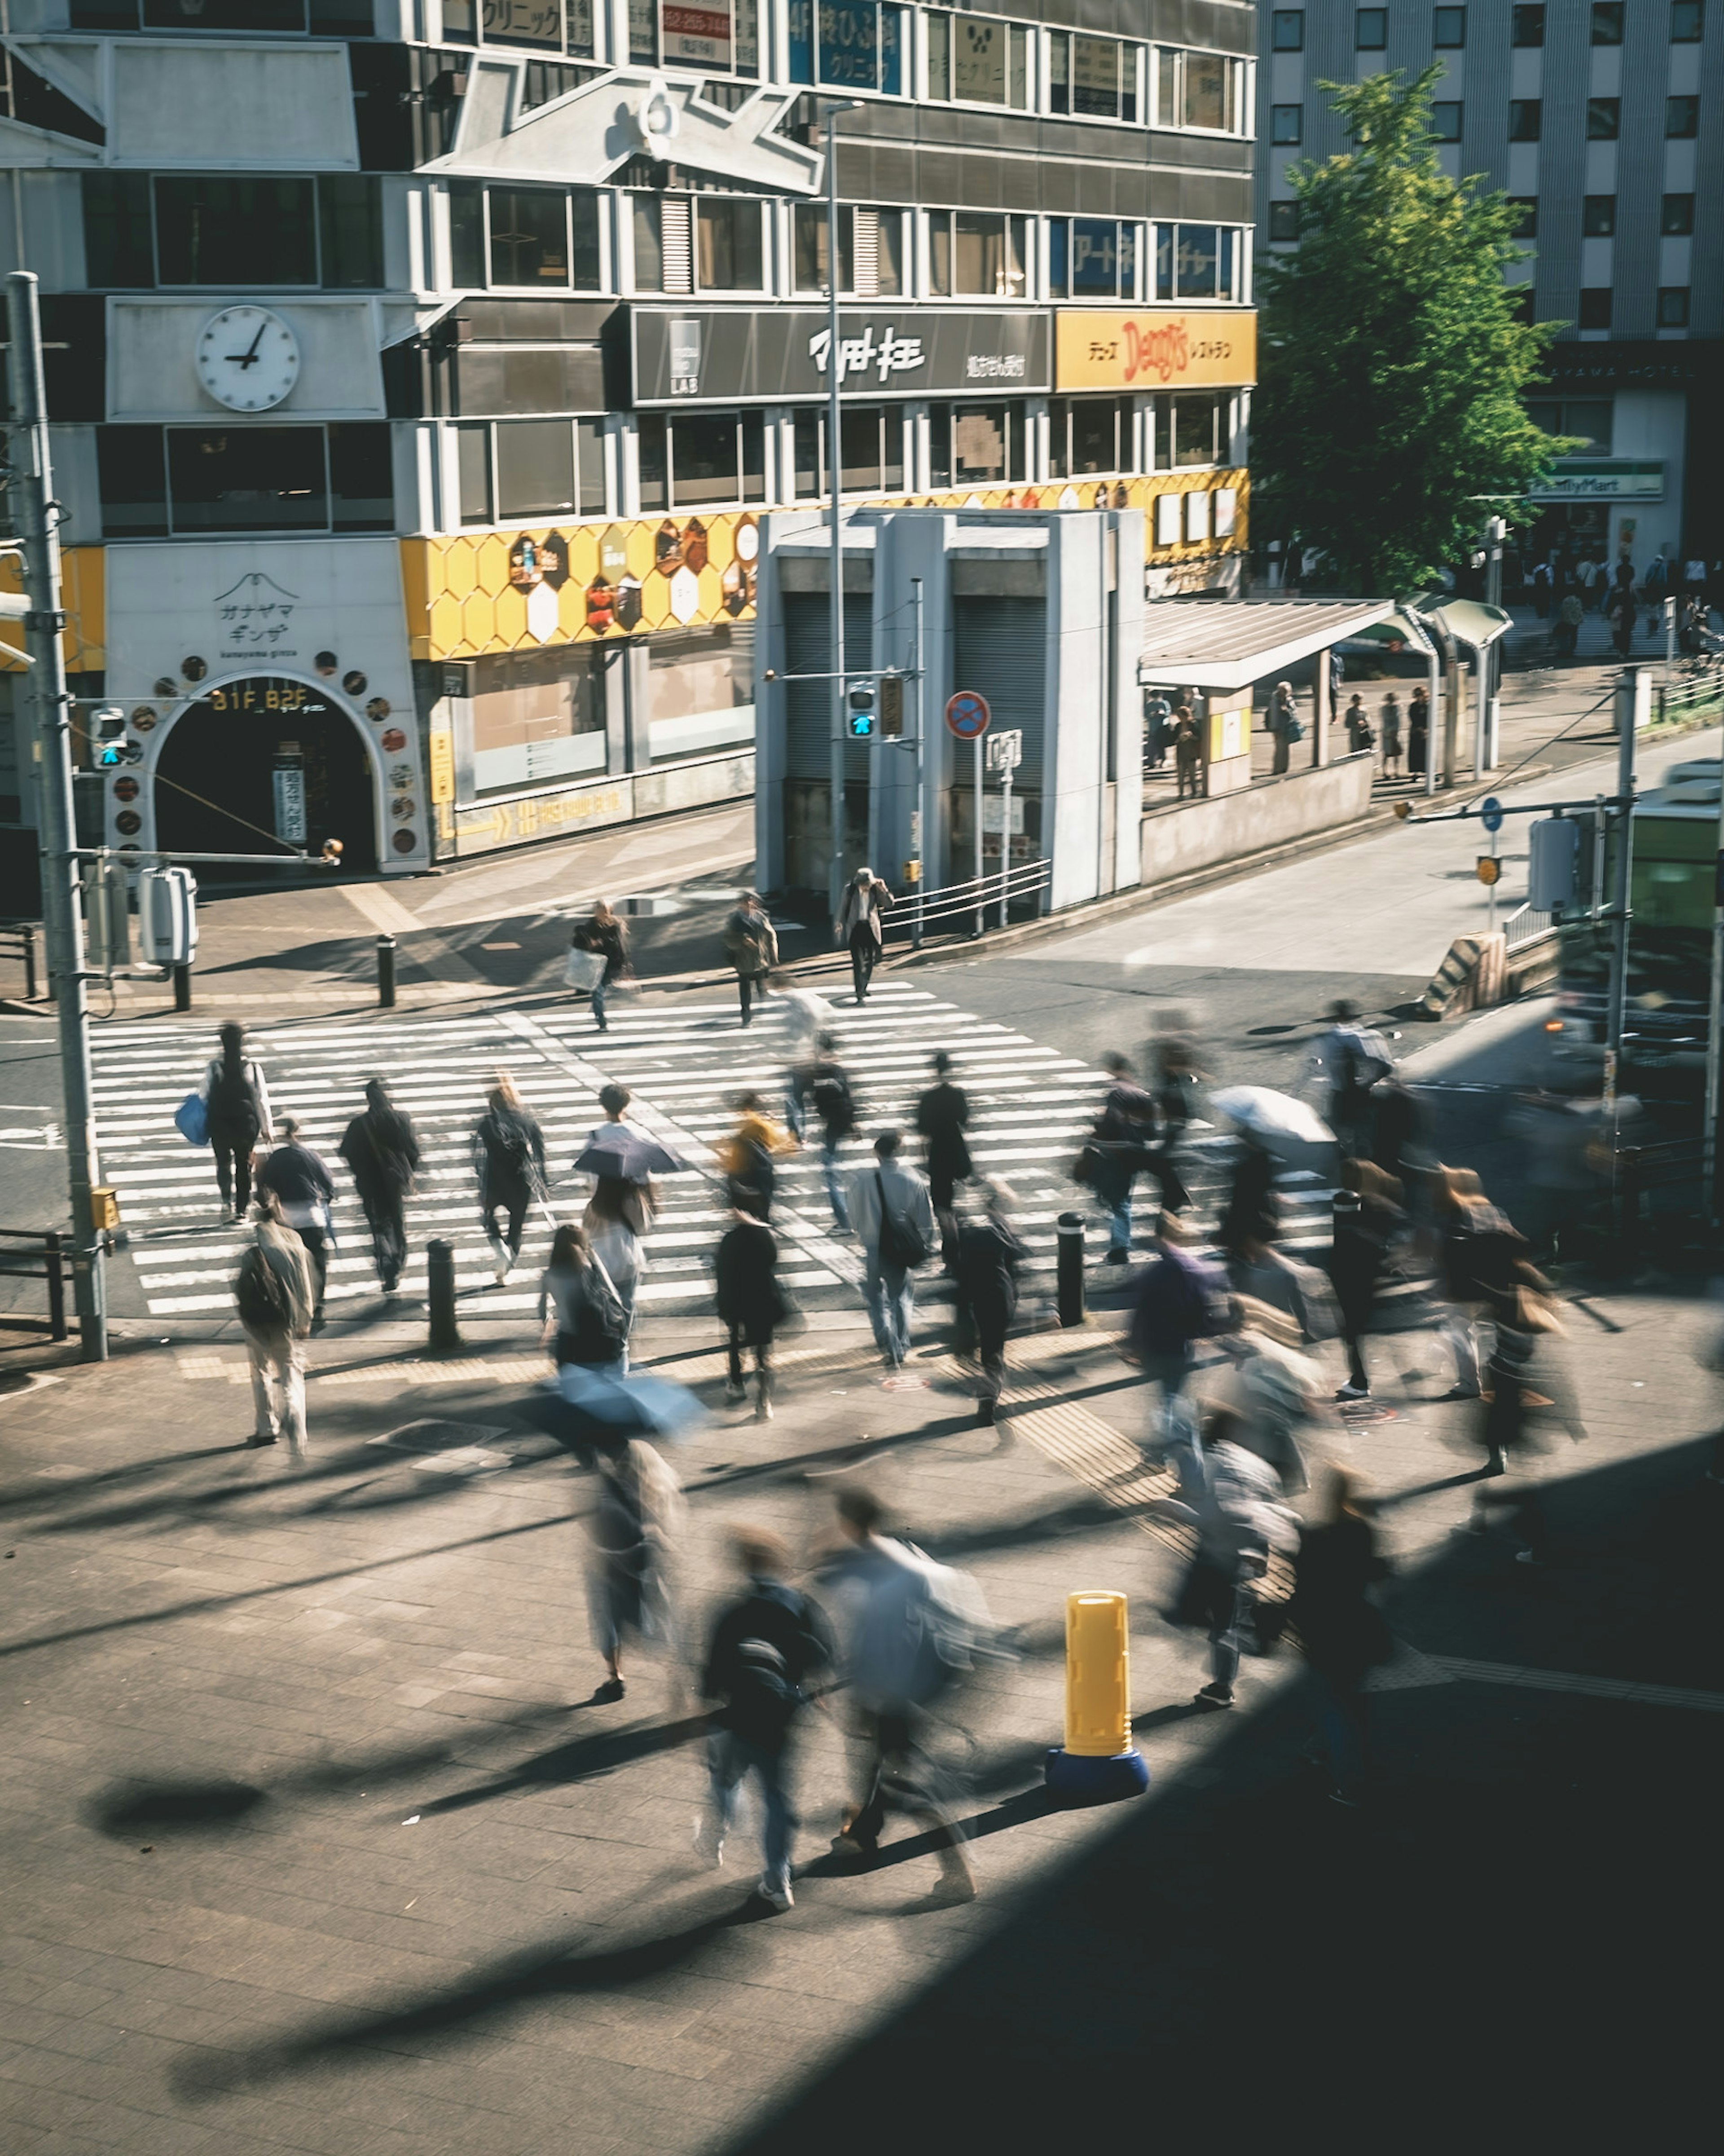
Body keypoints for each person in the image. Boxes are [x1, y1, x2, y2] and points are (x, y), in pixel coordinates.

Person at [820, 1487, 981, 1900]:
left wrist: (860, 1695)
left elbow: (868, 1641)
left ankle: (958, 1873)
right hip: (912, 1688)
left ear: (848, 1521)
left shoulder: (870, 1569)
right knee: (876, 1767)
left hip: (890, 1692)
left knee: (905, 1783)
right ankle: (863, 1832)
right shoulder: (901, 1552)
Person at [696, 1529, 834, 1913]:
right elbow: (822, 1656)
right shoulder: (801, 1605)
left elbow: (711, 1678)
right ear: (780, 1565)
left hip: (737, 1715)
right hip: (780, 1718)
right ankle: (778, 1877)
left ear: (745, 1568)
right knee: (777, 1797)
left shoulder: (731, 1612)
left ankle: (717, 1832)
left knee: (724, 1777)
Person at [1155, 1430, 1297, 1710]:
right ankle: (1222, 1684)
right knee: (1223, 1619)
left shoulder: (1215, 1464)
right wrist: (1260, 1552)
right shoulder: (1256, 1465)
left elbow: (1213, 1515)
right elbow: (1268, 1507)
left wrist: (1175, 1510)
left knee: (1206, 1618)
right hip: (1242, 1552)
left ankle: (1241, 1645)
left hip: (1218, 1554)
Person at [1287, 1467, 1391, 1803]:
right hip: (1358, 1627)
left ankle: (1350, 1784)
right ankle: (1319, 1748)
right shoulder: (1361, 1530)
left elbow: (1301, 1590)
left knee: (1333, 1704)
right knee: (1347, 1696)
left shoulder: (1315, 1537)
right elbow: (1374, 1571)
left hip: (1322, 1631)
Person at [585, 1432, 684, 1702]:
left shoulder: (608, 1488)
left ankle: (615, 1677)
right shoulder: (658, 1487)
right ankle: (676, 1676)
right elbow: (665, 1530)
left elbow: (593, 1526)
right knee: (656, 1623)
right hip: (645, 1568)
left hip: (609, 1567)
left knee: (609, 1620)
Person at [1123, 1210, 1227, 1428]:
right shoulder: (1193, 1267)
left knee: (1169, 1394)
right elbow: (1205, 1301)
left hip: (1157, 1344)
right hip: (1181, 1344)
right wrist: (1207, 1331)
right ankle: (1177, 1426)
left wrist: (1134, 1345)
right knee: (1175, 1391)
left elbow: (1141, 1311)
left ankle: (1174, 1433)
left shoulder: (1156, 1274)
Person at [847, 1129, 936, 1371]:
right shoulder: (912, 1179)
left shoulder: (862, 1180)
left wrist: (861, 1232)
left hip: (873, 1246)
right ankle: (900, 1346)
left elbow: (853, 1216)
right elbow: (925, 1219)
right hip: (899, 1248)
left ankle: (883, 1336)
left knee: (875, 1295)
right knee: (901, 1297)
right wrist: (926, 1244)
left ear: (877, 1153)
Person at [233, 1195, 315, 1457]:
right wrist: (306, 1318)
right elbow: (305, 1284)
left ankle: (266, 1427)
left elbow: (241, 1286)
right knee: (290, 1370)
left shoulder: (253, 1248)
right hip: (287, 1320)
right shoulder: (295, 1241)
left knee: (260, 1372)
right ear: (278, 1211)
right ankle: (295, 1418)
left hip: (257, 1321)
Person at [1327, 1163, 1407, 1402]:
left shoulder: (1363, 1209)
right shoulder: (1381, 1206)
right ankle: (1359, 1379)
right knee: (1357, 1331)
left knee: (1352, 1333)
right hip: (1368, 1278)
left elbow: (1348, 1245)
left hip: (1352, 1280)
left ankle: (1359, 1381)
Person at [338, 1076, 420, 1296]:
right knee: (397, 1222)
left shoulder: (359, 1125)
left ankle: (386, 1265)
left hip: (369, 1184)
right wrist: (407, 1172)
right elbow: (413, 1151)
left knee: (379, 1227)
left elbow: (346, 1152)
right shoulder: (401, 1119)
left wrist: (361, 1172)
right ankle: (398, 1262)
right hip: (393, 1183)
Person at [952, 1179, 1025, 1425]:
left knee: (987, 1352)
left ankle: (987, 1397)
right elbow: (1018, 1264)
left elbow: (958, 1268)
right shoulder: (1006, 1231)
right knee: (995, 1350)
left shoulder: (972, 1233)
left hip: (978, 1297)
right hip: (1002, 1297)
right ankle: (989, 1395)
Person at [256, 1117, 336, 1329]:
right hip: (312, 1217)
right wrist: (328, 1197)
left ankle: (294, 1306)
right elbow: (328, 1184)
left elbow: (265, 1188)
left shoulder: (276, 1158)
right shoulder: (311, 1156)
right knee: (318, 1263)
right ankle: (318, 1307)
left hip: (287, 1220)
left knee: (292, 1266)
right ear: (299, 1132)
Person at [471, 1076, 546, 1285]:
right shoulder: (527, 1121)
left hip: (494, 1181)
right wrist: (543, 1180)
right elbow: (540, 1153)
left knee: (488, 1218)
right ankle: (507, 1264)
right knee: (517, 1227)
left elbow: (477, 1156)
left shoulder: (487, 1124)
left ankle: (499, 1247)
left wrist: (479, 1182)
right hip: (521, 1182)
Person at [714, 1202, 782, 1421]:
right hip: (762, 1300)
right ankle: (764, 1401)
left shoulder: (729, 1240)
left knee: (735, 1340)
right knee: (763, 1352)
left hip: (736, 1301)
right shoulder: (765, 1238)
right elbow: (773, 1261)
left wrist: (722, 1305)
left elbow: (722, 1275)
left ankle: (736, 1383)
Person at [201, 1022, 274, 1222]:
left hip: (220, 1127)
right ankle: (242, 1210)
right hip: (246, 1127)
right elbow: (261, 1099)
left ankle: (226, 1199)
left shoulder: (215, 1068)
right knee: (244, 1167)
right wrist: (267, 1128)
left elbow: (204, 1096)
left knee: (223, 1164)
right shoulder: (251, 1068)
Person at [1306, 998, 1393, 1159]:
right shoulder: (1369, 1037)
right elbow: (1386, 1067)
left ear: (1334, 1017)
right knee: (1365, 1134)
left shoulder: (1328, 1039)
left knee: (1337, 1135)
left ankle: (1348, 1167)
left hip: (1340, 1095)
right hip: (1364, 1094)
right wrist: (1368, 1082)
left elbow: (1316, 1069)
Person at [538, 1222, 629, 1373]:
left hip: (566, 1340)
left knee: (572, 1386)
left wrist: (548, 1324)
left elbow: (542, 1308)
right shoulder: (586, 1271)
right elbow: (612, 1293)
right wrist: (594, 1258)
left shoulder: (549, 1275)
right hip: (592, 1334)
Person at [915, 1049, 972, 1265]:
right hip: (957, 1152)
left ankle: (952, 1251)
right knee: (954, 1202)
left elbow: (922, 1133)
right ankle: (956, 1245)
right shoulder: (957, 1095)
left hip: (938, 1154)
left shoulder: (927, 1099)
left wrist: (923, 1160)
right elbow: (966, 1123)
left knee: (942, 1206)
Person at [802, 1033, 858, 1233]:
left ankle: (845, 1222)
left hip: (832, 1126)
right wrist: (853, 1125)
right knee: (837, 1168)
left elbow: (813, 1100)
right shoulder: (838, 1070)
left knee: (831, 1172)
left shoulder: (816, 1073)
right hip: (842, 1122)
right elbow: (849, 1098)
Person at [715, 1090, 798, 1221]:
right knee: (761, 1214)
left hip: (745, 1175)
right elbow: (784, 1146)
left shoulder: (753, 1125)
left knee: (748, 1214)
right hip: (761, 1175)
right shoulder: (764, 1125)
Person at [772, 971, 835, 1136]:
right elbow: (830, 1016)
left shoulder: (785, 1004)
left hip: (796, 1061)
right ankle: (830, 1126)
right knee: (817, 1096)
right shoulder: (812, 998)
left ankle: (798, 1136)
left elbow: (783, 1034)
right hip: (814, 1058)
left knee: (794, 1100)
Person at [570, 899, 629, 1033]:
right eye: (597, 909)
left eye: (602, 909)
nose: (599, 912)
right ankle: (601, 1021)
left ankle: (598, 1010)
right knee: (598, 992)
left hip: (610, 964)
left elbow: (620, 947)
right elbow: (580, 945)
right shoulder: (590, 926)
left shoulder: (615, 926)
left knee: (601, 991)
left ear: (608, 911)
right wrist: (588, 943)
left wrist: (624, 965)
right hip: (595, 964)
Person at [836, 866, 893, 1005]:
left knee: (870, 962)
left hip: (870, 928)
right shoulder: (850, 890)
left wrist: (884, 890)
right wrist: (839, 923)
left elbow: (890, 903)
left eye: (869, 884)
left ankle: (864, 986)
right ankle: (859, 993)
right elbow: (842, 908)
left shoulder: (875, 889)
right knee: (858, 962)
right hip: (855, 928)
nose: (867, 887)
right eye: (865, 885)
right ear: (859, 883)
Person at [723, 890, 778, 1027]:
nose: (749, 903)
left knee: (763, 988)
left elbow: (771, 936)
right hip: (744, 961)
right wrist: (742, 940)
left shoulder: (760, 917)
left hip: (762, 960)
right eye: (746, 901)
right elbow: (729, 940)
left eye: (751, 900)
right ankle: (746, 1017)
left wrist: (774, 956)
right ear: (740, 904)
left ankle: (766, 1012)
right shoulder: (735, 920)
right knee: (746, 991)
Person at [1268, 681, 1297, 776]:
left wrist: (1286, 711)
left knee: (1285, 749)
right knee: (1279, 749)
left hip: (1287, 727)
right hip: (1277, 727)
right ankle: (1277, 768)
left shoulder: (1289, 700)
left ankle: (1284, 767)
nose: (1285, 693)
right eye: (1283, 691)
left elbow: (1293, 714)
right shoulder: (1274, 700)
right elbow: (1272, 714)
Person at [1173, 705, 1202, 798]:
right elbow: (1174, 738)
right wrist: (1179, 738)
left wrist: (1191, 736)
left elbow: (1199, 737)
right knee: (1181, 775)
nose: (1181, 719)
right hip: (1181, 751)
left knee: (1192, 775)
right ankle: (1181, 793)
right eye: (1179, 717)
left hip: (1191, 751)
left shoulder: (1193, 725)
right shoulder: (1178, 726)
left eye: (1182, 717)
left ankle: (1194, 792)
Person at [1143, 687, 1172, 772]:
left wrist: (1162, 713)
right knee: (1152, 745)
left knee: (1161, 746)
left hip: (1162, 728)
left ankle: (1163, 760)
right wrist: (1152, 715)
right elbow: (1146, 715)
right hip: (1153, 728)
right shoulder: (1149, 705)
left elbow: (1168, 713)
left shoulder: (1164, 703)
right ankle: (1152, 762)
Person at [1407, 683, 1430, 778]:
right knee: (1415, 751)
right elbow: (1413, 717)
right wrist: (1419, 728)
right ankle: (1415, 772)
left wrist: (1426, 729)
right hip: (1416, 731)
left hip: (1426, 731)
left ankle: (1426, 769)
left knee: (1425, 750)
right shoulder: (1413, 706)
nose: (1419, 698)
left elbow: (1429, 718)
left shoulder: (1427, 706)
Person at [1379, 690, 1403, 780]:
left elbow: (1398, 721)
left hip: (1391, 733)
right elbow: (1392, 721)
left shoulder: (1396, 708)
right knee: (1388, 753)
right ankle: (1387, 771)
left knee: (1395, 753)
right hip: (1390, 733)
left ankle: (1394, 771)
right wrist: (1392, 730)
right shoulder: (1386, 709)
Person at [1343, 693, 1374, 759]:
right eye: (1357, 700)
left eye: (1360, 699)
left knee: (1366, 751)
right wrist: (1356, 725)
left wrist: (1367, 725)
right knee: (1356, 752)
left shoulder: (1364, 710)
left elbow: (1369, 722)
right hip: (1355, 734)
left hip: (1365, 733)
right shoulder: (1350, 711)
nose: (1359, 701)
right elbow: (1347, 724)